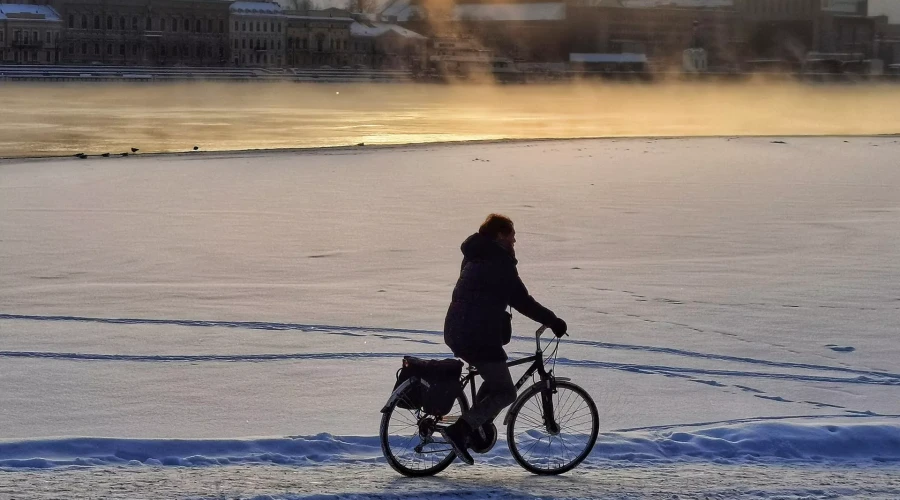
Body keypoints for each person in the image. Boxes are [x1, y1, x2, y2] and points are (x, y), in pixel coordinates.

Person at [441, 214, 567, 465]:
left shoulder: (476, 253)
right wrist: (553, 321)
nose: (514, 239)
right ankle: (460, 430)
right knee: (507, 392)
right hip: (476, 335)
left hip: (459, 328)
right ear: (500, 235)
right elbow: (521, 300)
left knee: (497, 371)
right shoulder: (498, 263)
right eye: (511, 234)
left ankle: (475, 425)